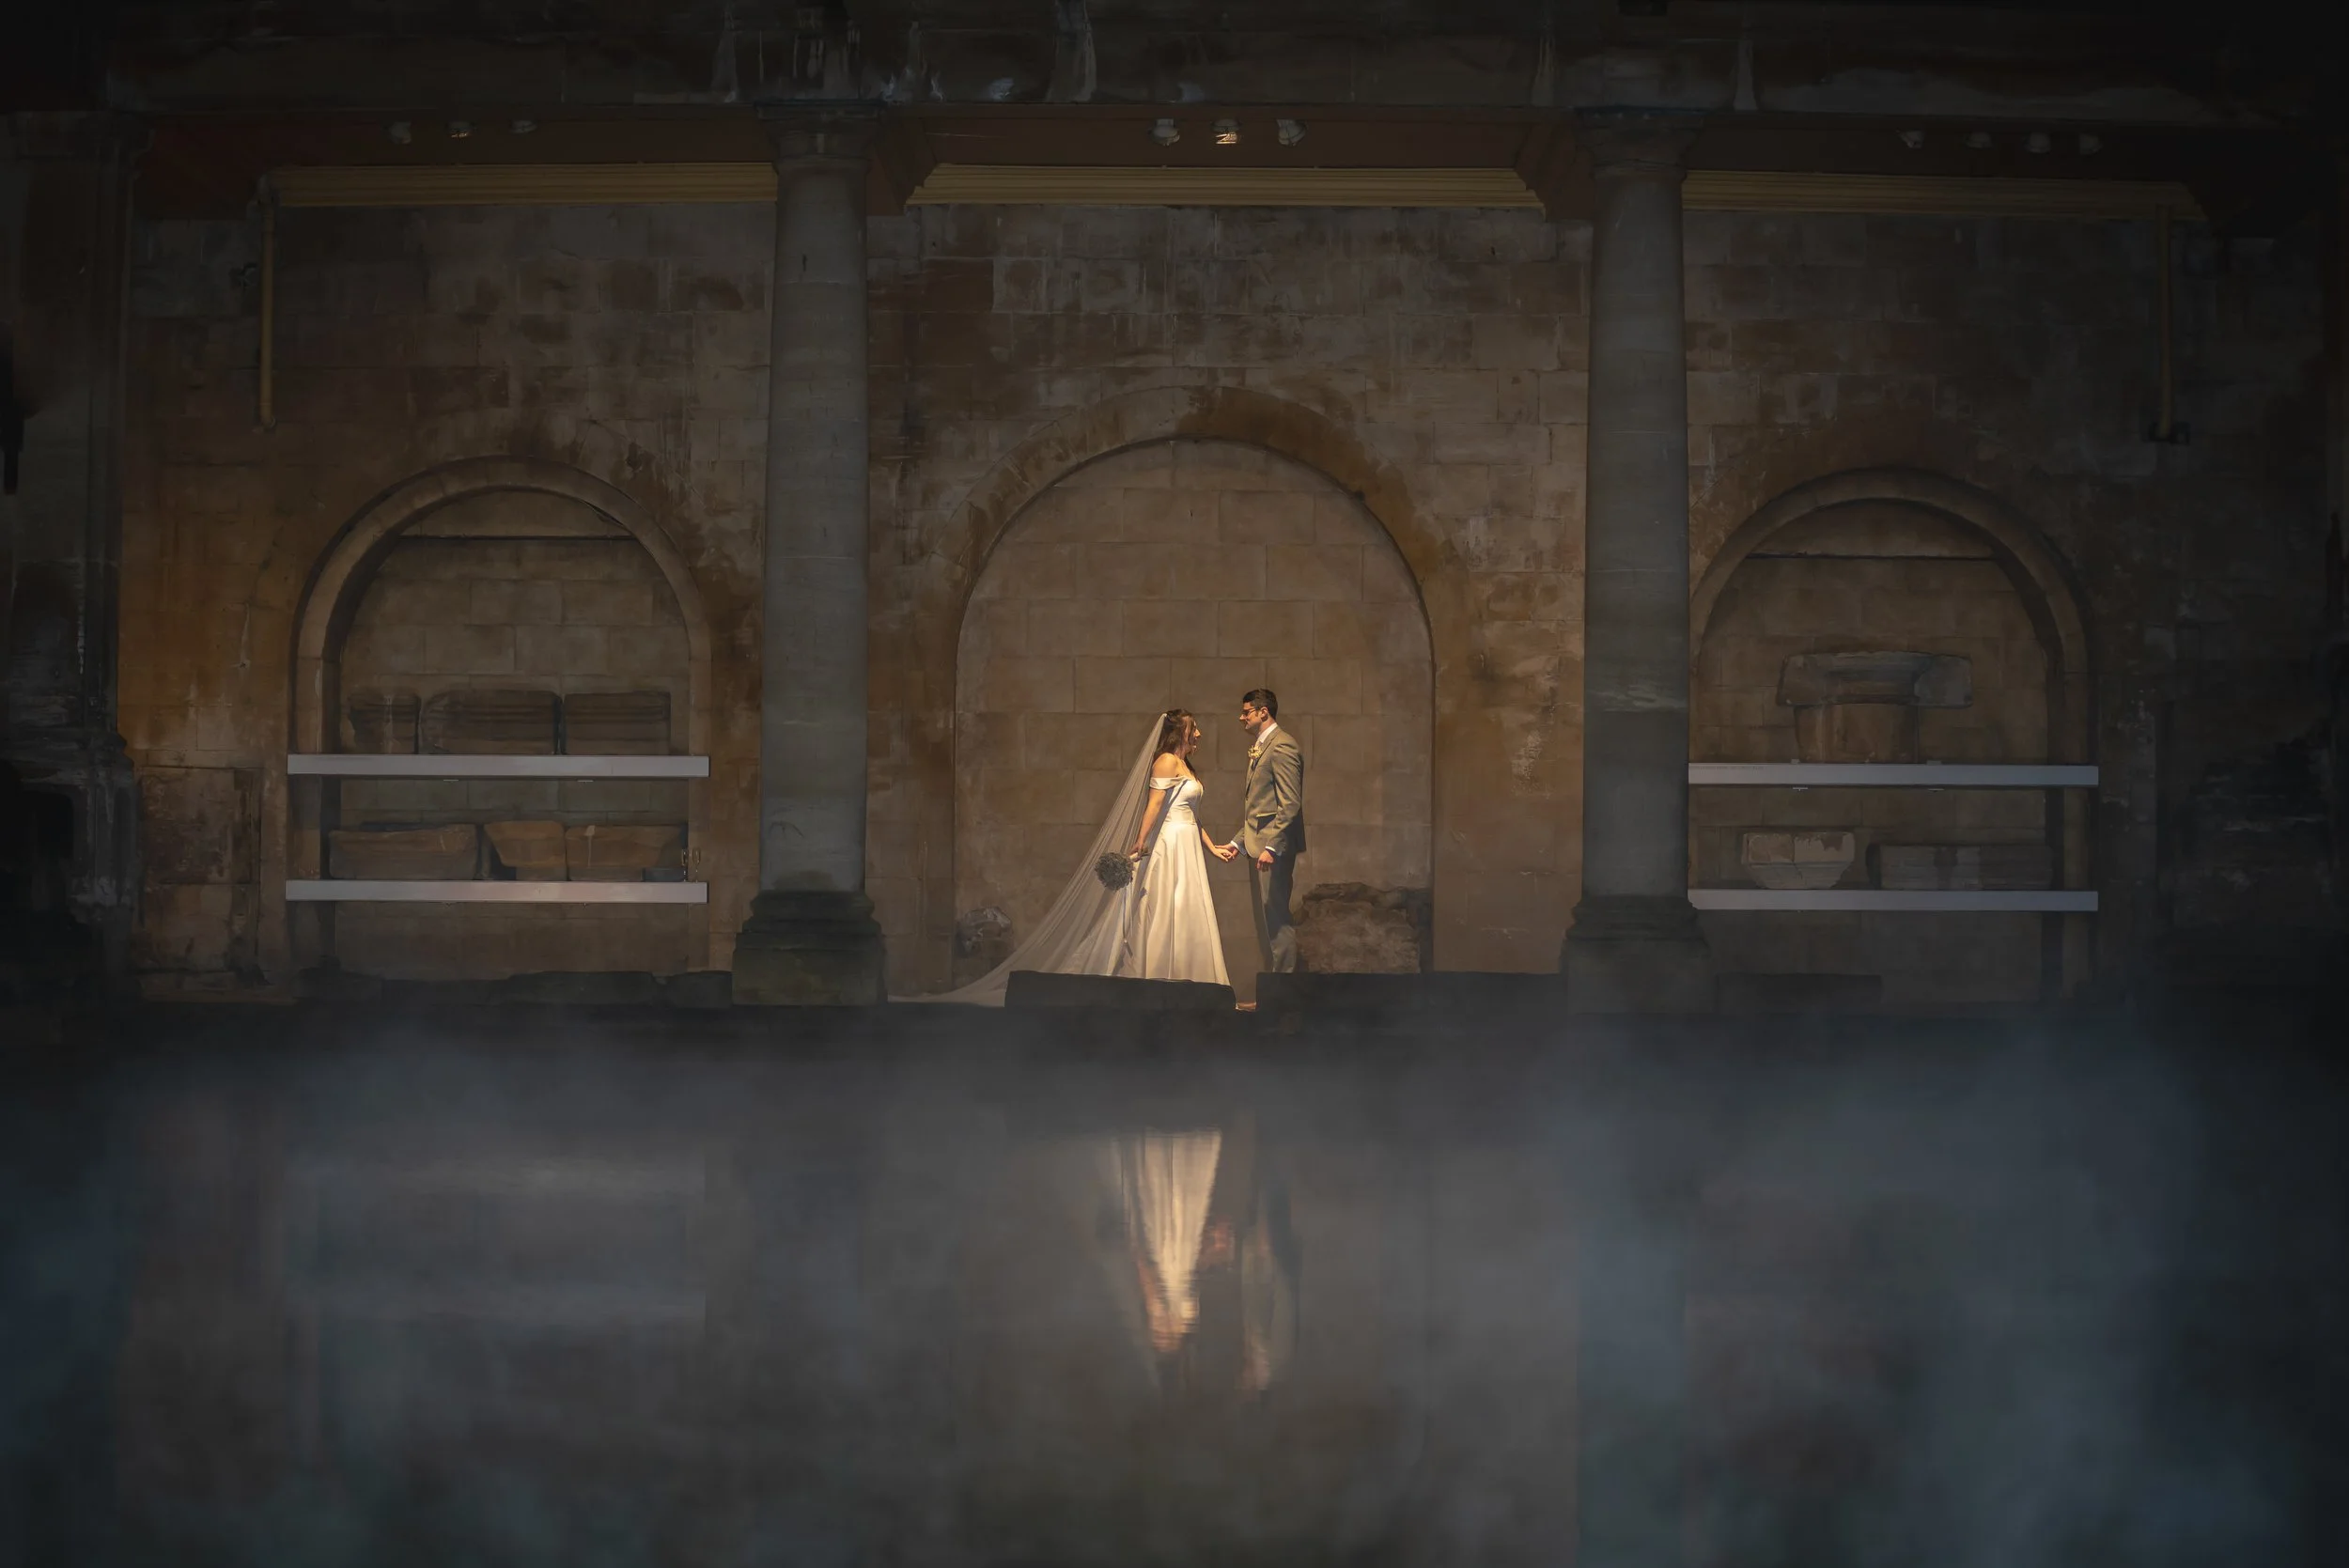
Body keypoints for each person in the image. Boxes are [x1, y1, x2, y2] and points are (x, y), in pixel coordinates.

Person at [904, 708, 1231, 1004]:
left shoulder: (1186, 765)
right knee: (1164, 906)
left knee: (1186, 905)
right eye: (1194, 728)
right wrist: (1140, 841)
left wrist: (1212, 846)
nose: (1199, 734)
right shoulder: (1166, 761)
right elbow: (1155, 807)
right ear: (1179, 732)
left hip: (1187, 844)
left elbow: (1190, 813)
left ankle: (1193, 980)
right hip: (1169, 845)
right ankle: (1159, 977)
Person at [1220, 689, 1306, 975]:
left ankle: (1283, 993)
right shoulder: (1264, 745)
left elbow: (1289, 804)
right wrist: (1239, 841)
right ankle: (1277, 989)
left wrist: (1272, 847)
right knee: (1269, 921)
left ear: (1263, 712)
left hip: (1274, 850)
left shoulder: (1282, 746)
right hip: (1262, 846)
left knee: (1278, 919)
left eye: (1246, 712)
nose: (1241, 717)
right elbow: (1261, 809)